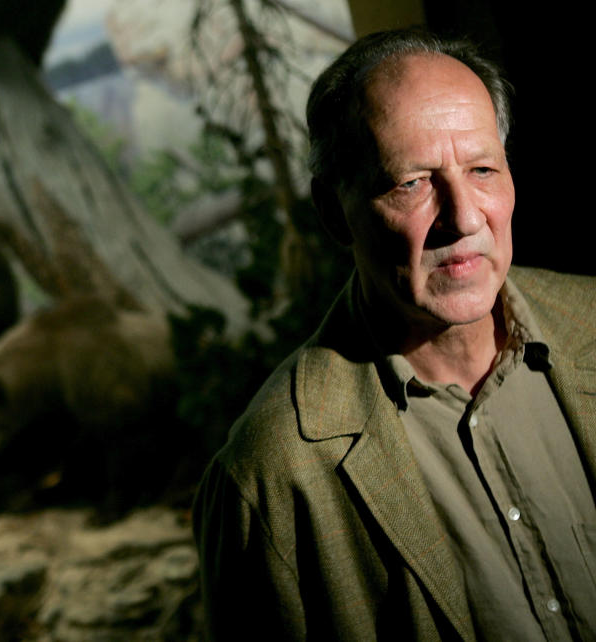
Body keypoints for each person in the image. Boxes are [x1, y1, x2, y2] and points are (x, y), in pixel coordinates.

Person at [194, 28, 596, 641]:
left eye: (483, 169)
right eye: (412, 183)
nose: (463, 216)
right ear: (334, 212)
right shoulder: (272, 477)